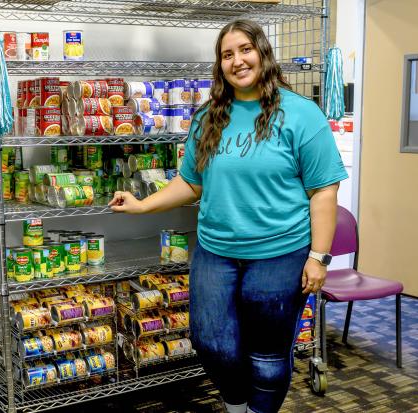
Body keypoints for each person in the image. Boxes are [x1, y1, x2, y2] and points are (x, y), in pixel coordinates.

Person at [108, 19, 348, 413]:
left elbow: (324, 190)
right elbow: (192, 183)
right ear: (220, 65)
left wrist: (319, 256)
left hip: (280, 253)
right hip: (216, 252)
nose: (237, 61)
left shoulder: (301, 114)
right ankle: (237, 406)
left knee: (268, 358)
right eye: (227, 54)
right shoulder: (208, 118)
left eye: (245, 50)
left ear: (263, 53)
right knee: (212, 342)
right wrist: (141, 204)